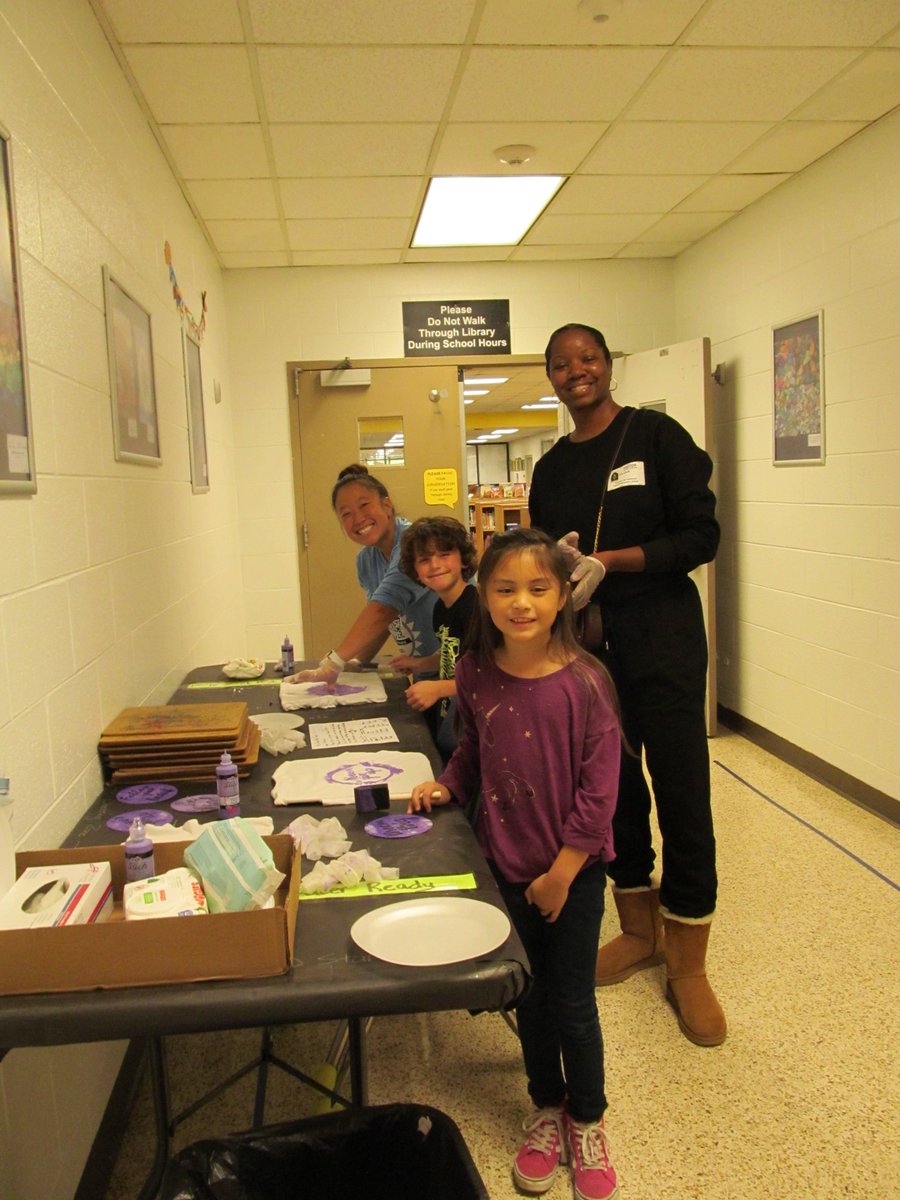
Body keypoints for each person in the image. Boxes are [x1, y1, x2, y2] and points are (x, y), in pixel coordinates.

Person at [410, 527, 622, 1200]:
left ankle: (586, 1117)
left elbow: (600, 793)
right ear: (485, 596)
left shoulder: (588, 682)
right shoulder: (474, 671)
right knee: (527, 997)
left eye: (537, 588)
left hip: (573, 874)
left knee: (573, 1003)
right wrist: (449, 782)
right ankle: (544, 1108)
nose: (520, 603)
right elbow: (475, 747)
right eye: (505, 589)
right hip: (506, 864)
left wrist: (562, 873)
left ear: (563, 596)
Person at [529, 322, 726, 1047]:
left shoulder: (657, 437)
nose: (576, 371)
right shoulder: (551, 469)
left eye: (587, 359)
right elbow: (543, 558)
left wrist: (617, 558)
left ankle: (689, 959)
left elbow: (701, 539)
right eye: (561, 364)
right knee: (612, 793)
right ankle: (638, 929)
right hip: (589, 650)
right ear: (550, 378)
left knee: (680, 789)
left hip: (665, 640)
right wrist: (562, 565)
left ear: (609, 366)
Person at [289, 465, 439, 687]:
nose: (358, 518)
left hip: (459, 670)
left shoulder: (414, 543)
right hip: (423, 672)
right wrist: (357, 662)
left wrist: (334, 662)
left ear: (387, 505)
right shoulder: (366, 561)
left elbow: (383, 610)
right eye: (346, 514)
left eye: (364, 505)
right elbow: (384, 621)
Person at [391, 516, 479, 763]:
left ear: (462, 559)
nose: (435, 565)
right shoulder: (441, 607)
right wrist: (419, 664)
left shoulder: (475, 609)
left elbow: (488, 677)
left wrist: (438, 688)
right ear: (416, 571)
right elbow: (452, 653)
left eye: (444, 554)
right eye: (425, 559)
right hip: (450, 708)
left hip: (471, 721)